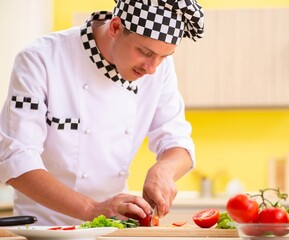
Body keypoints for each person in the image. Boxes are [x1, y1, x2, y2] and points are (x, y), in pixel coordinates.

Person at [0, 0, 204, 225]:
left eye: (164, 56)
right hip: (44, 227)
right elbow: (16, 159)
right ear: (115, 27)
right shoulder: (41, 59)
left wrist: (163, 170)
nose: (152, 69)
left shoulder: (159, 69)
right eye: (144, 52)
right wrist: (92, 209)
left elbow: (178, 143)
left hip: (112, 227)